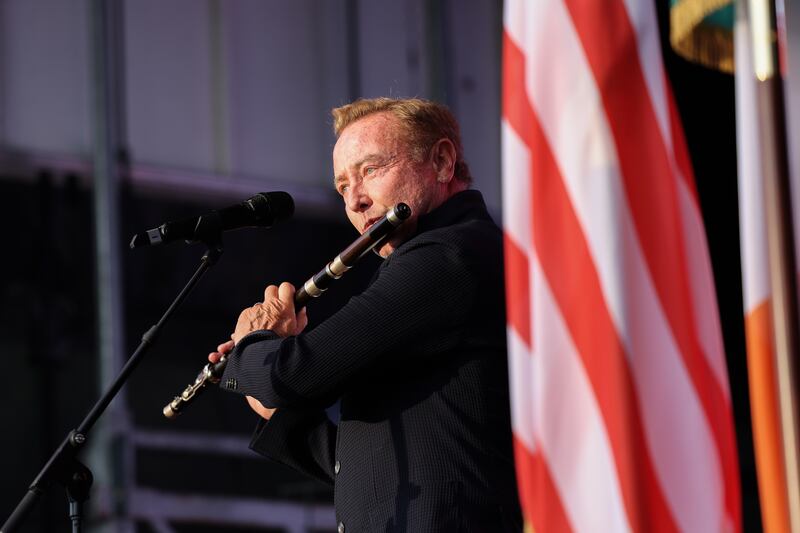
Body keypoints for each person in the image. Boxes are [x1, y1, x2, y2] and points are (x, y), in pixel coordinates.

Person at [209, 97, 522, 532]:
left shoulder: (448, 256)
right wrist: (277, 410)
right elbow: (368, 470)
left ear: (442, 162)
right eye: (342, 186)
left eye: (371, 170)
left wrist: (254, 347)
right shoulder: (437, 258)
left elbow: (294, 376)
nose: (355, 200)